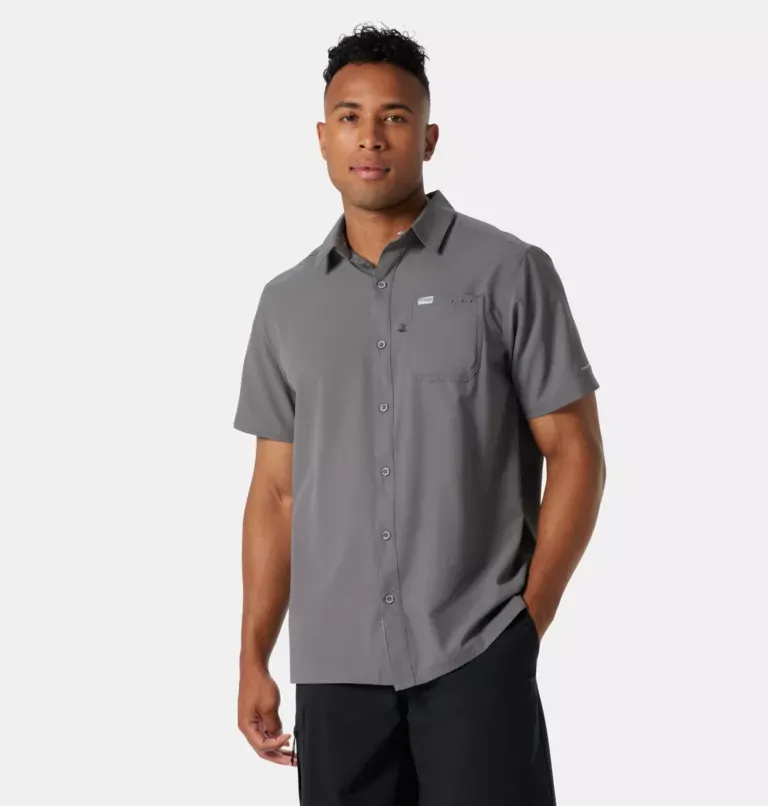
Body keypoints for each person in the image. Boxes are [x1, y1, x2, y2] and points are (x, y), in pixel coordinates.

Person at [233, 22, 606, 805]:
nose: (371, 137)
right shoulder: (285, 304)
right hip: (334, 674)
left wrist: (527, 623)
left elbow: (576, 453)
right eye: (350, 117)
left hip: (476, 655)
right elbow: (276, 493)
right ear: (323, 139)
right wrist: (252, 656)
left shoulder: (510, 272)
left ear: (428, 138)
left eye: (394, 117)